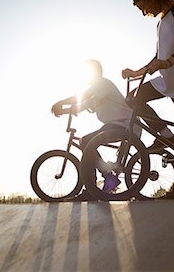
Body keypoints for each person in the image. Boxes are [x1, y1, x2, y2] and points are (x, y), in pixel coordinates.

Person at [122, 0, 174, 199]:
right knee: (133, 98)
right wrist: (137, 72)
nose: (142, 12)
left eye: (142, 6)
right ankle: (166, 134)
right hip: (166, 80)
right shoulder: (160, 23)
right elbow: (158, 55)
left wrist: (168, 63)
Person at [52, 59, 137, 200]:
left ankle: (103, 179)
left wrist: (61, 104)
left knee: (86, 141)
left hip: (124, 125)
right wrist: (66, 110)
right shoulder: (97, 89)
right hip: (116, 125)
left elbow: (83, 98)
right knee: (87, 142)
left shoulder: (102, 83)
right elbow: (85, 103)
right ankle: (101, 181)